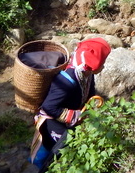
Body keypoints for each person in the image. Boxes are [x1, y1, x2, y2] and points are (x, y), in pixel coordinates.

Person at [29, 37, 112, 171]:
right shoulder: (67, 81)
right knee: (58, 153)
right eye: (102, 62)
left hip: (69, 117)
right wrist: (76, 116)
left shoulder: (86, 72)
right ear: (93, 62)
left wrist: (88, 110)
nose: (103, 65)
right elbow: (49, 107)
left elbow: (90, 93)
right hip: (53, 122)